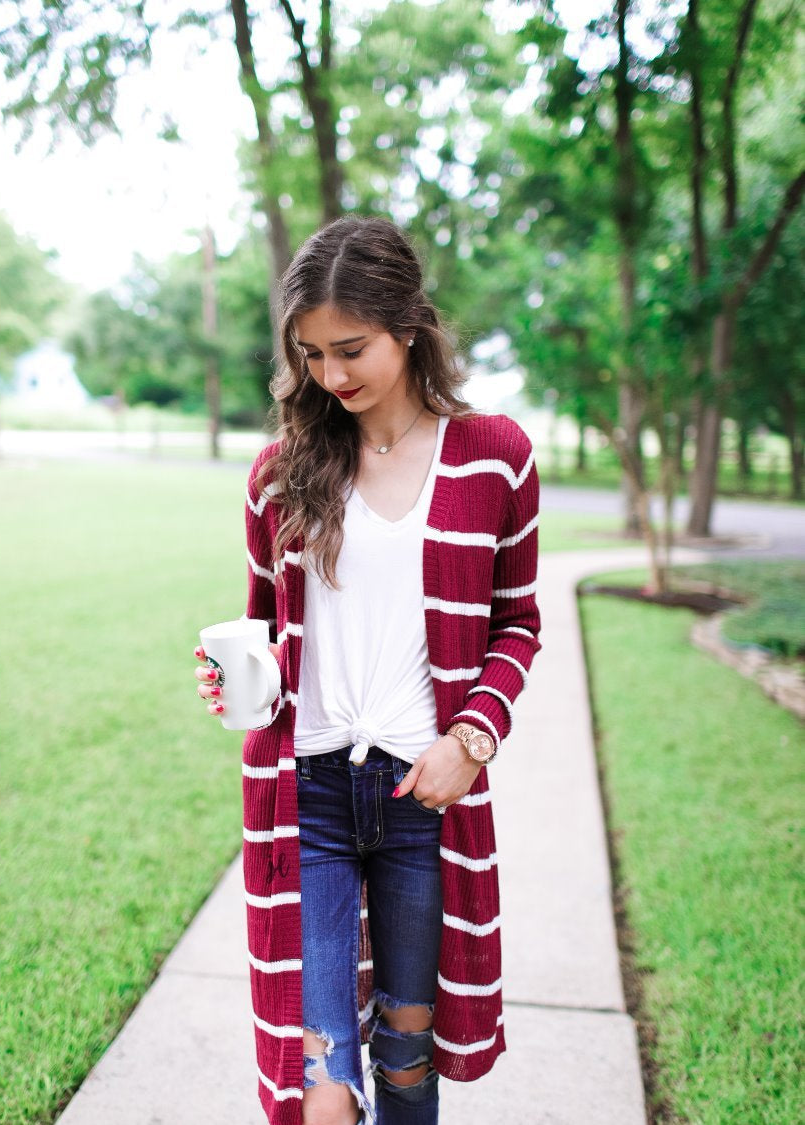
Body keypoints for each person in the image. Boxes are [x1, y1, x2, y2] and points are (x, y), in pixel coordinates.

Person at [195, 216, 541, 1125]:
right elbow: (268, 624)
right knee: (320, 1075)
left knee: (406, 1054)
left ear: (410, 326)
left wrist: (472, 739)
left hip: (421, 794)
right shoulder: (280, 472)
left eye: (350, 350)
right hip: (304, 793)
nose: (331, 376)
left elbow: (517, 622)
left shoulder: (496, 457)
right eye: (311, 355)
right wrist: (242, 675)